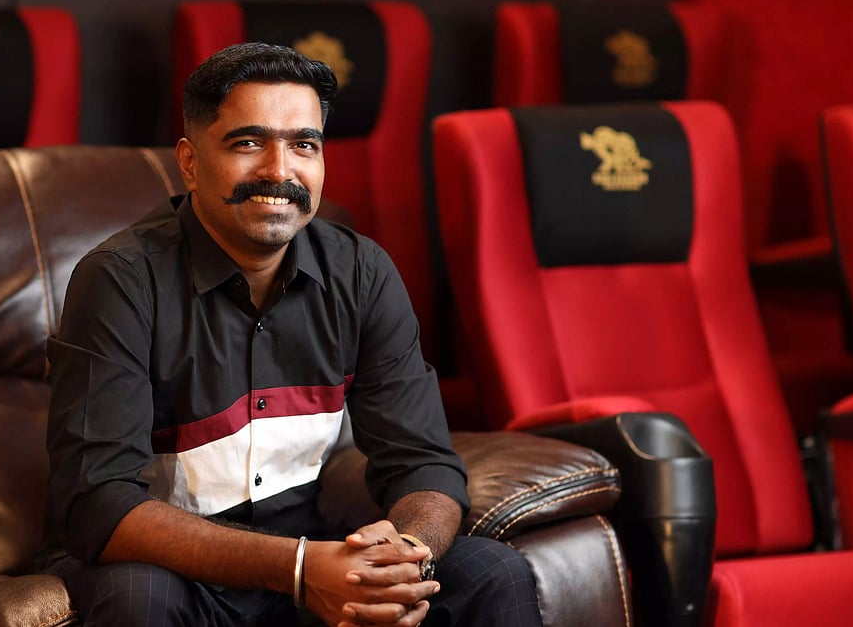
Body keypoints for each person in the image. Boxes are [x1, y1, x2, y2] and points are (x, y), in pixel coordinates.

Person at [38, 42, 542, 627]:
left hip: (309, 549)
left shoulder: (361, 272)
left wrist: (404, 556)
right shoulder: (121, 280)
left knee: (493, 572)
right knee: (139, 596)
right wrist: (298, 568)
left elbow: (423, 462)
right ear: (190, 162)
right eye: (248, 143)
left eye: (304, 144)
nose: (280, 171)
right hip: (168, 567)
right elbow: (99, 501)